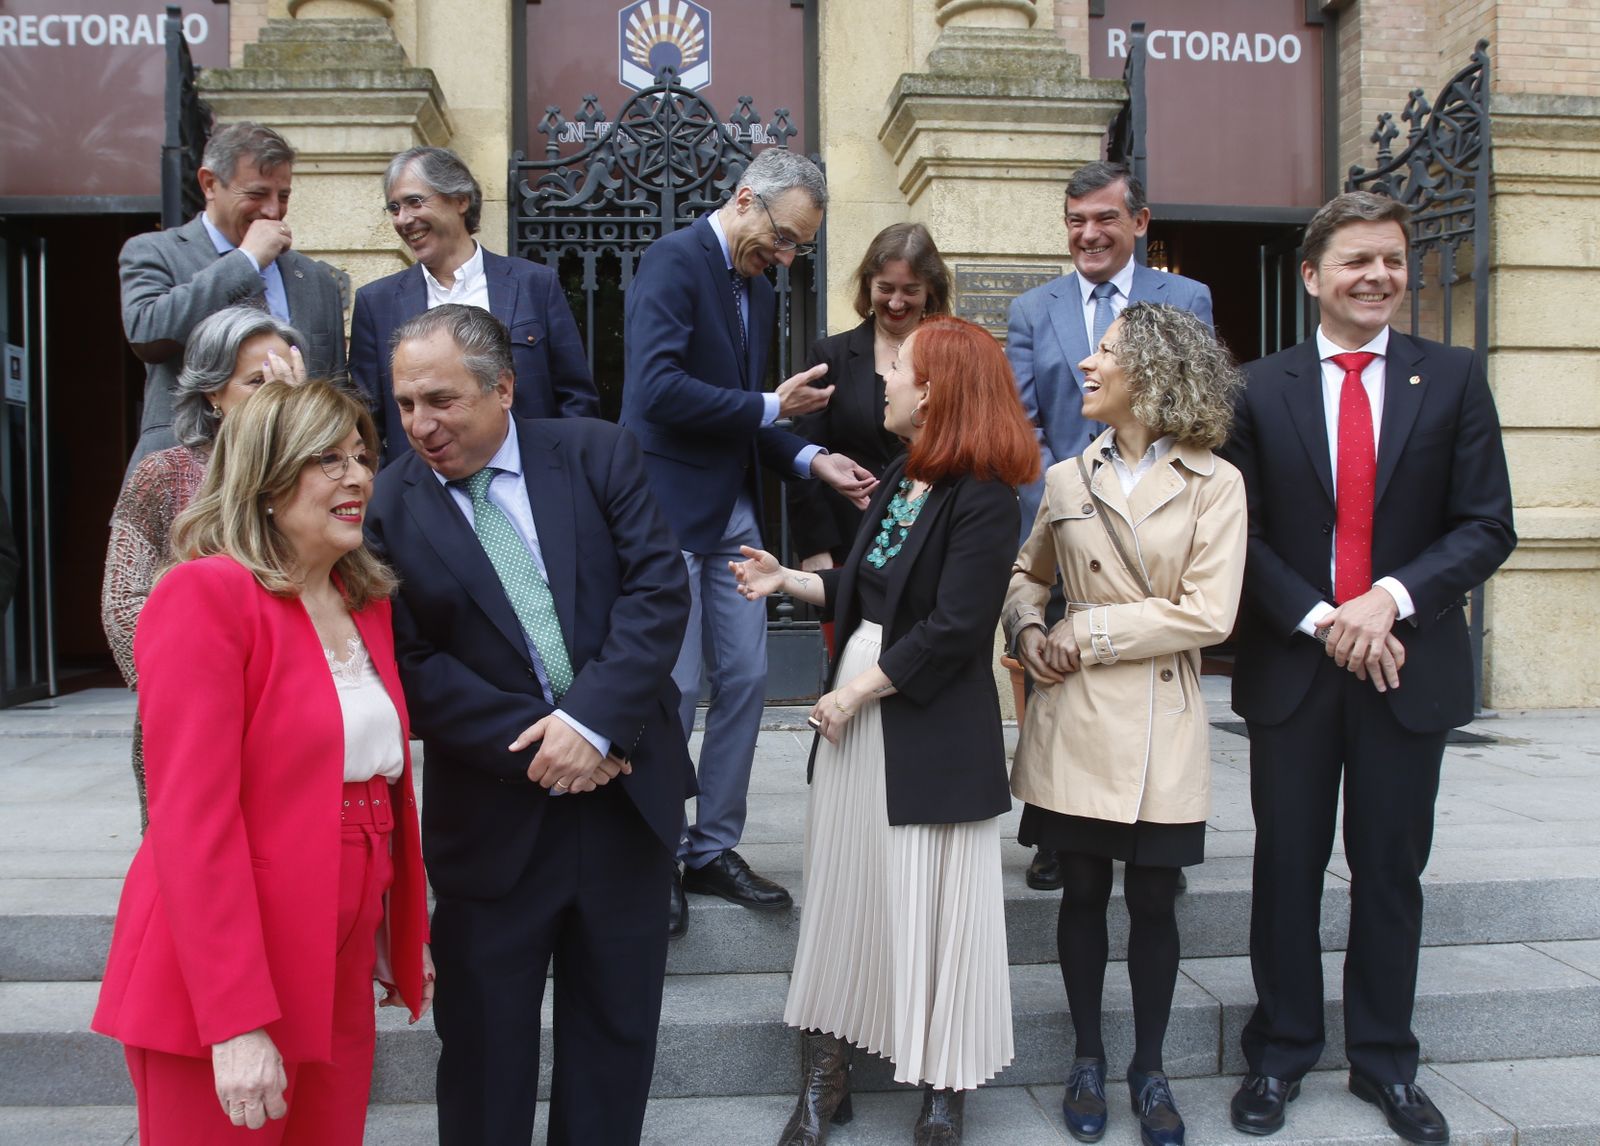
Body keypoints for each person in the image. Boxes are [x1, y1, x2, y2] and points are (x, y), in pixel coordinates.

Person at [1222, 192, 1515, 1144]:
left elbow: (1486, 525)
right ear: (1312, 275)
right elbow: (1243, 532)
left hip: (1404, 663)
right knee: (1287, 866)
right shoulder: (1257, 388)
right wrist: (1321, 617)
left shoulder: (1456, 378)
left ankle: (1385, 1060)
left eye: (1391, 259)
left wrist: (1389, 598)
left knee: (1390, 870)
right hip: (1296, 665)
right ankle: (1280, 1051)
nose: (1378, 276)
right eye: (1356, 261)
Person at [365, 304, 694, 1146]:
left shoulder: (595, 453)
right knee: (482, 1054)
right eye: (404, 404)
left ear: (503, 388)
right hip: (497, 819)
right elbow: (409, 661)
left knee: (615, 1040)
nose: (419, 424)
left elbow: (656, 592)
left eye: (440, 400)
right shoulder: (384, 506)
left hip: (627, 803)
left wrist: (593, 724)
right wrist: (552, 741)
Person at [92, 379, 433, 1144]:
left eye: (361, 456)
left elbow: (375, 781)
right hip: (226, 958)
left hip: (337, 948)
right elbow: (192, 825)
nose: (356, 476)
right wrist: (236, 1022)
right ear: (267, 480)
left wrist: (392, 926)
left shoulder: (361, 596)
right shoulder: (204, 595)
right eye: (327, 459)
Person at [732, 315, 1039, 1146]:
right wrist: (785, 578)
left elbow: (954, 628)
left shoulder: (986, 499)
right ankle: (825, 1083)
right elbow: (871, 597)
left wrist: (853, 694)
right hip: (861, 714)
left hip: (921, 724)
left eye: (898, 368)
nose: (885, 381)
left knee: (936, 907)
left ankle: (944, 1090)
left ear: (938, 389)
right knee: (845, 894)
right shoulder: (904, 475)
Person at [1005, 303, 1248, 1146]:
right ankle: (1085, 1058)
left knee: (1152, 900)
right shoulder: (1069, 477)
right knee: (1079, 891)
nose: (1086, 365)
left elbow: (1210, 614)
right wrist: (1030, 628)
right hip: (1073, 717)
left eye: (1104, 353)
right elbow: (1027, 574)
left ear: (1149, 371)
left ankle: (1149, 1068)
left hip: (1162, 717)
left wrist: (1091, 630)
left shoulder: (1217, 482)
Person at [621, 147, 877, 938]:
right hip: (667, 512)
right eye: (787, 237)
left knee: (747, 677)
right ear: (744, 200)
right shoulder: (671, 262)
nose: (788, 256)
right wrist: (772, 405)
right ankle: (656, 852)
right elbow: (655, 392)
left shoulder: (758, 291)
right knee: (676, 688)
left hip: (733, 512)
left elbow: (747, 414)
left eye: (799, 245)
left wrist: (810, 456)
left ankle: (713, 847)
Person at [1006, 160, 1215, 892]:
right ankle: (1062, 831)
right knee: (1059, 676)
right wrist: (1063, 504)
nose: (1087, 233)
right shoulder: (1036, 309)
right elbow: (1023, 423)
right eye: (1075, 221)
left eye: (1102, 218)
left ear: (1139, 222)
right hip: (1064, 524)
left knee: (1146, 668)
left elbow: (1195, 406)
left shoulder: (1187, 297)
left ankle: (1154, 826)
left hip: (1157, 514)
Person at [102, 304, 308, 830]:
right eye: (257, 383)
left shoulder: (321, 472)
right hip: (190, 714)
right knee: (192, 851)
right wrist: (191, 689)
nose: (274, 395)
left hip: (298, 710)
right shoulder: (163, 473)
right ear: (213, 394)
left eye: (285, 380)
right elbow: (123, 602)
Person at [118, 122, 347, 478]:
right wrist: (245, 261)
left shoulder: (316, 280)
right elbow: (147, 333)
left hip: (290, 482)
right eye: (257, 193)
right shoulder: (154, 251)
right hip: (186, 482)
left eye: (283, 195)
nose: (273, 211)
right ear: (210, 184)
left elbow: (336, 391)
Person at [349, 146, 598, 462]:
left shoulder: (534, 284)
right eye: (394, 208)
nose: (404, 219)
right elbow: (367, 424)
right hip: (421, 495)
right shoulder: (375, 303)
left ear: (460, 200)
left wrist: (565, 471)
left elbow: (576, 398)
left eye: (414, 202)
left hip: (532, 483)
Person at [787, 223, 950, 579]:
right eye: (885, 288)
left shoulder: (953, 357)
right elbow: (805, 454)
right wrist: (816, 546)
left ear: (931, 292)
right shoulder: (829, 355)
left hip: (933, 541)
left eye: (911, 290)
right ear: (867, 286)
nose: (895, 302)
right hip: (849, 543)